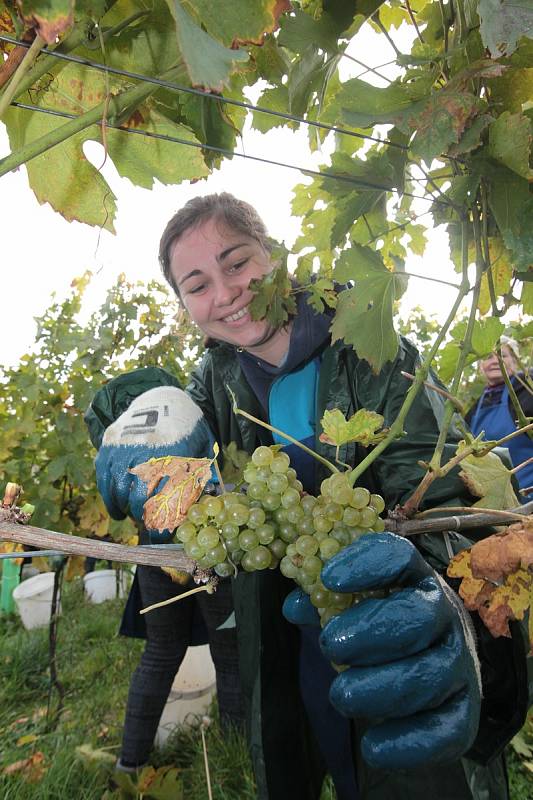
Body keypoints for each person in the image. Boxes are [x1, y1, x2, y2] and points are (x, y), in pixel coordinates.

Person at [95, 193, 530, 800]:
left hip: (396, 625)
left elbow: (445, 512)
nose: (226, 292)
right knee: (331, 757)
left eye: (238, 261)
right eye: (197, 285)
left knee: (417, 774)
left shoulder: (375, 353)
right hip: (300, 632)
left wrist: (446, 615)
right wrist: (143, 407)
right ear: (186, 306)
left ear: (274, 256)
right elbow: (137, 401)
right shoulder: (217, 378)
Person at [84, 368, 244, 773]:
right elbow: (218, 470)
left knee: (160, 651)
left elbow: (117, 509)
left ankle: (130, 763)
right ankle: (236, 757)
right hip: (210, 543)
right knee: (229, 655)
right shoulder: (190, 410)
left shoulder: (118, 433)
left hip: (155, 550)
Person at [466, 337, 533, 496]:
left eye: (502, 355)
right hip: (490, 500)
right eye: (488, 357)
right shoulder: (475, 408)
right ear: (481, 366)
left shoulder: (527, 389)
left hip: (528, 496)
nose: (495, 361)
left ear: (515, 361)